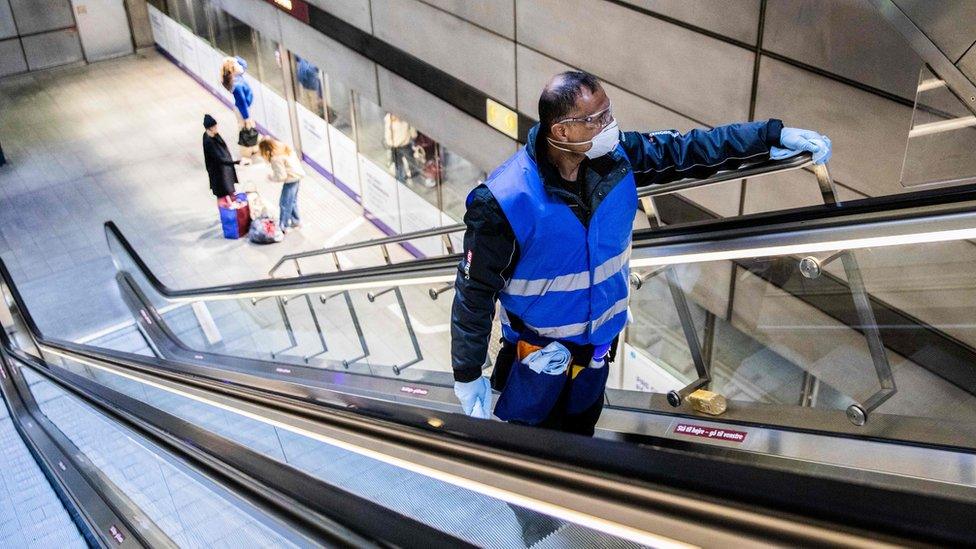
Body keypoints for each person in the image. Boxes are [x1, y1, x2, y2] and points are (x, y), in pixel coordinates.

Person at [451, 71, 832, 436]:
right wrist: (468, 374)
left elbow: (690, 149)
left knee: (581, 442)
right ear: (562, 131)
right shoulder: (504, 201)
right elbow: (474, 293)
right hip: (533, 363)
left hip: (594, 358)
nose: (610, 125)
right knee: (527, 462)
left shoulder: (616, 160)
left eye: (609, 113)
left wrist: (769, 137)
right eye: (597, 119)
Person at [259, 137, 306, 233]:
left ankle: (283, 227)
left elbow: (281, 176)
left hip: (291, 180)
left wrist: (271, 177)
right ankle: (296, 221)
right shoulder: (284, 148)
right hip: (297, 177)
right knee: (292, 202)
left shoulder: (275, 158)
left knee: (284, 204)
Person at [221, 56, 257, 163]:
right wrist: (246, 117)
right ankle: (245, 155)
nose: (239, 66)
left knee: (249, 129)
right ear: (232, 69)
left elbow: (244, 64)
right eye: (236, 65)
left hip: (243, 108)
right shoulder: (236, 85)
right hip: (242, 110)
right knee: (244, 131)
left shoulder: (237, 77)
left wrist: (234, 59)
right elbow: (242, 103)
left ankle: (252, 148)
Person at [202, 114, 239, 200]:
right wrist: (236, 162)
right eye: (214, 126)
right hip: (220, 175)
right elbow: (219, 158)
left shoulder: (214, 135)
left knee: (230, 192)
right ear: (209, 128)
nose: (216, 128)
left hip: (224, 172)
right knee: (223, 195)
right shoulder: (209, 142)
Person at [383, 113, 417, 182]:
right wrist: (391, 144)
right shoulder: (389, 122)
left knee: (410, 163)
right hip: (397, 147)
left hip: (405, 145)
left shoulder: (405, 119)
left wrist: (413, 135)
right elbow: (388, 135)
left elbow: (412, 131)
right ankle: (400, 178)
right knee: (399, 164)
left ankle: (411, 175)